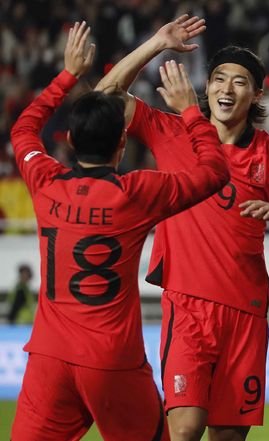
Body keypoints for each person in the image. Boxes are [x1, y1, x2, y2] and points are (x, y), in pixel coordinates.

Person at [96, 15, 269, 441]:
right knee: (184, 429)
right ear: (207, 88)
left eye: (240, 82)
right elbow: (103, 96)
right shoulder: (172, 130)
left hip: (246, 311)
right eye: (219, 78)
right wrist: (155, 44)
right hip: (187, 307)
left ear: (257, 93)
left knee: (229, 436)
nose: (226, 88)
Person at [10, 21, 229, 440]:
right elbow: (214, 172)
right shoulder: (138, 192)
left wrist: (67, 75)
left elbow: (23, 129)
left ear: (70, 140)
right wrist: (187, 109)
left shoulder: (44, 180)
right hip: (112, 360)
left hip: (49, 357)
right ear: (122, 145)